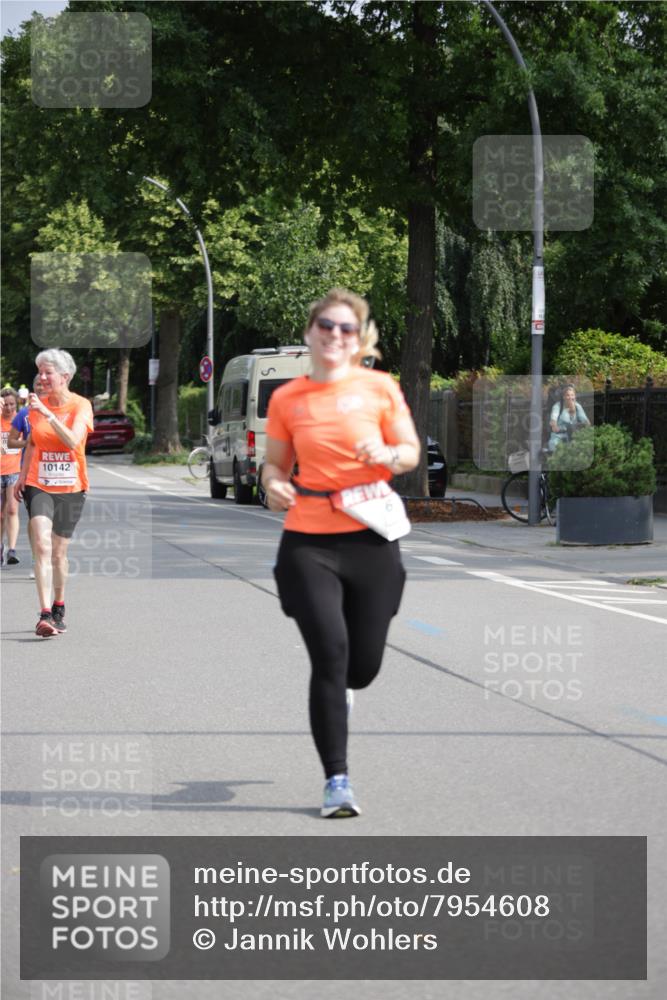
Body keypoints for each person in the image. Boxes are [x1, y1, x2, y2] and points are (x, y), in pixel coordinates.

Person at [263, 288, 420, 818]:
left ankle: (346, 691)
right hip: (307, 541)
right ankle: (337, 781)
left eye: (346, 329)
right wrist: (273, 485)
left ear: (360, 339)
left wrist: (389, 453)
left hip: (371, 538)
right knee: (329, 653)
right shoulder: (288, 399)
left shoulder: (380, 389)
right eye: (326, 326)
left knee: (362, 667)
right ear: (310, 332)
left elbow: (410, 452)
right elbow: (274, 467)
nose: (335, 335)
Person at [14, 349, 93, 637]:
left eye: (48, 373)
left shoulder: (80, 406)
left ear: (65, 376)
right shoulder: (34, 408)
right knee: (42, 545)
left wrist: (48, 413)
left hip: (72, 487)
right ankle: (44, 613)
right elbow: (34, 443)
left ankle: (59, 606)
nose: (42, 377)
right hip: (39, 484)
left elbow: (73, 441)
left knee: (59, 553)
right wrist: (22, 477)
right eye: (40, 372)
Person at [8, 377, 47, 577]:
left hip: (55, 473)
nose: (42, 388)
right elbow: (12, 442)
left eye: (45, 384)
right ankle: (36, 559)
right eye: (38, 385)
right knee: (35, 519)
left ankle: (52, 556)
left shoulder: (61, 412)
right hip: (31, 473)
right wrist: (30, 444)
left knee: (54, 521)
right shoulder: (24, 414)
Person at [1, 388, 22, 565]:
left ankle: (12, 550)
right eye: (5, 404)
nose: (8, 408)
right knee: (0, 515)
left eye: (12, 405)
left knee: (12, 510)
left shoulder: (21, 420)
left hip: (14, 471)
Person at [547, 384, 590, 452]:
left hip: (574, 434)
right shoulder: (558, 406)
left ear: (575, 396)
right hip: (560, 434)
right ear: (564, 396)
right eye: (568, 395)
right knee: (554, 445)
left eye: (572, 395)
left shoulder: (577, 406)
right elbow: (553, 418)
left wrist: (586, 426)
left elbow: (585, 420)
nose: (570, 397)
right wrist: (554, 425)